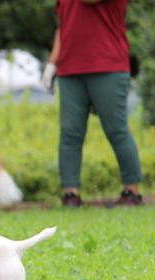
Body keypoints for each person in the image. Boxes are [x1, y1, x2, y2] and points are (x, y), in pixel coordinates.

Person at [41, 0, 144, 208]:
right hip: (70, 69)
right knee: (70, 133)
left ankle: (131, 192)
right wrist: (52, 63)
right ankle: (70, 194)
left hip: (108, 65)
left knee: (116, 130)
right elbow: (64, 25)